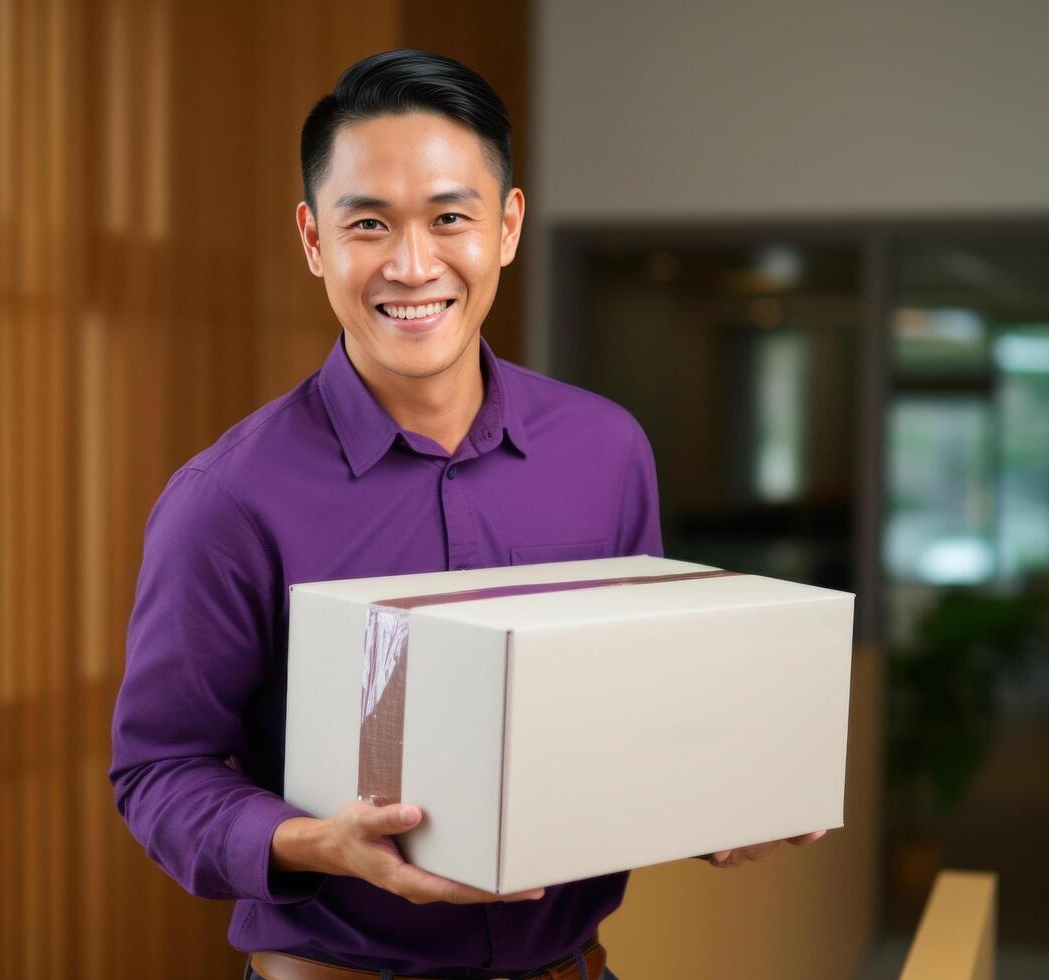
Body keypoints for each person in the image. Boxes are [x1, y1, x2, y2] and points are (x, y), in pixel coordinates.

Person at [108, 49, 826, 980]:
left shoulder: (606, 452)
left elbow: (623, 712)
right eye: (368, 224)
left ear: (508, 226)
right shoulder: (228, 500)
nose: (413, 266)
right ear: (314, 240)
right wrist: (316, 842)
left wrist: (711, 804)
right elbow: (159, 775)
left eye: (450, 218)